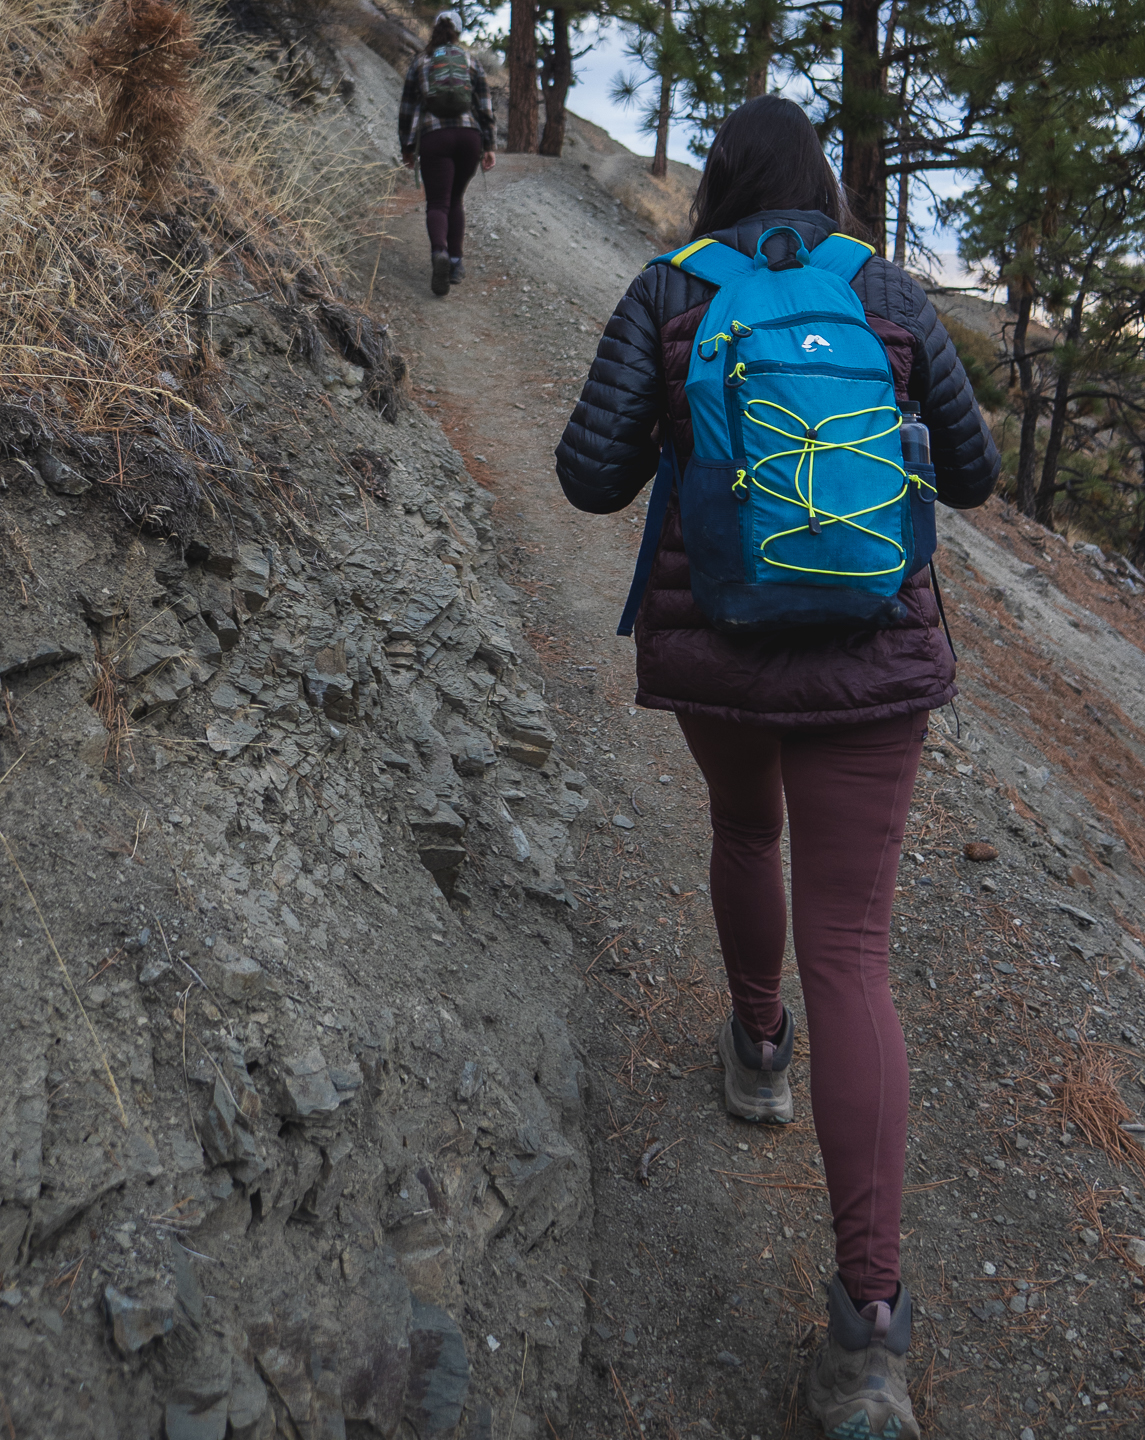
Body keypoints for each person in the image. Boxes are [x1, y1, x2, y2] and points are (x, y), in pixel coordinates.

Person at [554, 95, 999, 1440]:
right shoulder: (886, 289)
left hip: (727, 651)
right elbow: (974, 479)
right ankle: (870, 1337)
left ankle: (757, 1046)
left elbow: (585, 477)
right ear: (823, 185)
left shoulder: (671, 287)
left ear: (721, 186)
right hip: (874, 649)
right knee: (853, 954)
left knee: (746, 833)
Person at [397, 11, 496, 297]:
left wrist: (406, 145)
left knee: (438, 202)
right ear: (459, 33)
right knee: (456, 199)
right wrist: (488, 145)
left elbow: (407, 107)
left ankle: (439, 252)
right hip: (469, 137)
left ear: (435, 30)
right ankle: (455, 262)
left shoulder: (420, 62)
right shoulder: (471, 61)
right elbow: (485, 106)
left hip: (433, 136)